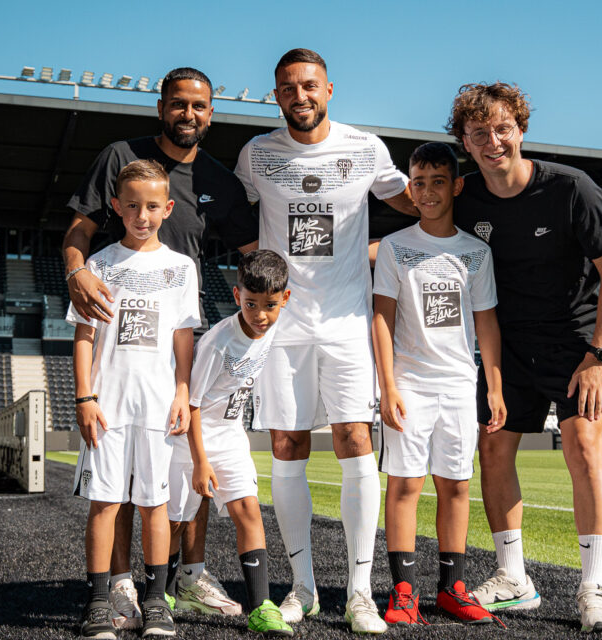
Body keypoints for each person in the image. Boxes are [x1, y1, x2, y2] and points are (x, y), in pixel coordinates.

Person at [233, 47, 416, 634]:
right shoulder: (256, 154)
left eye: (309, 86)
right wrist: (259, 270)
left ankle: (361, 592)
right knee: (286, 447)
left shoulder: (366, 150)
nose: (300, 96)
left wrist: (395, 253)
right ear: (276, 95)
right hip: (281, 327)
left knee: (355, 440)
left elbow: (417, 203)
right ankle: (303, 588)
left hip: (344, 321)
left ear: (329, 90)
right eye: (288, 88)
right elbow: (234, 217)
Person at [63, 66, 254, 626]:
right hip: (118, 350)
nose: (188, 114)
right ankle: (117, 585)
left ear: (211, 113)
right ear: (162, 107)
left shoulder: (217, 178)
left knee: (177, 480)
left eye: (199, 106)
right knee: (116, 491)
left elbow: (254, 252)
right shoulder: (121, 156)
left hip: (174, 357)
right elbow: (78, 227)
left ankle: (181, 582)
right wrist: (76, 271)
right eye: (179, 104)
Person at [448, 82, 602, 634]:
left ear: (521, 129)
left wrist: (598, 354)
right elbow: (417, 213)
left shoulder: (573, 189)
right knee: (494, 449)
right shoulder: (465, 196)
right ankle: (514, 578)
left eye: (503, 129)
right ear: (465, 141)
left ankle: (594, 587)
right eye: (479, 133)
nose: (493, 141)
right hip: (505, 344)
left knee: (583, 444)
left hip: (575, 345)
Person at [371, 142, 505, 627]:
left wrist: (492, 385)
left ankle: (452, 590)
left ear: (457, 186)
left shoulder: (475, 252)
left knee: (456, 486)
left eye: (438, 182)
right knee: (405, 485)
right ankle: (403, 593)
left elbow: (486, 323)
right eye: (419, 182)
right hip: (409, 384)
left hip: (457, 385)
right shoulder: (395, 247)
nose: (427, 192)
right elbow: (381, 319)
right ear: (410, 187)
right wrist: (387, 385)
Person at [69, 160, 200, 639]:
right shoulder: (97, 265)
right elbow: (84, 336)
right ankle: (99, 601)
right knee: (104, 504)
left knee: (154, 506)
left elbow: (184, 338)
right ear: (116, 207)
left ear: (167, 208)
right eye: (132, 206)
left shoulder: (180, 267)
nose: (141, 215)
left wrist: (183, 392)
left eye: (151, 206)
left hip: (158, 407)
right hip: (108, 406)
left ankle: (155, 601)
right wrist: (85, 395)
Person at [174, 249, 293, 636]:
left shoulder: (273, 326)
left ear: (284, 299)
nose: (260, 315)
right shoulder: (218, 343)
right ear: (237, 293)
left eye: (270, 305)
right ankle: (160, 592)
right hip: (193, 437)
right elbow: (191, 404)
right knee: (178, 519)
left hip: (231, 433)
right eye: (251, 304)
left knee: (248, 510)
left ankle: (260, 607)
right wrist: (200, 462)